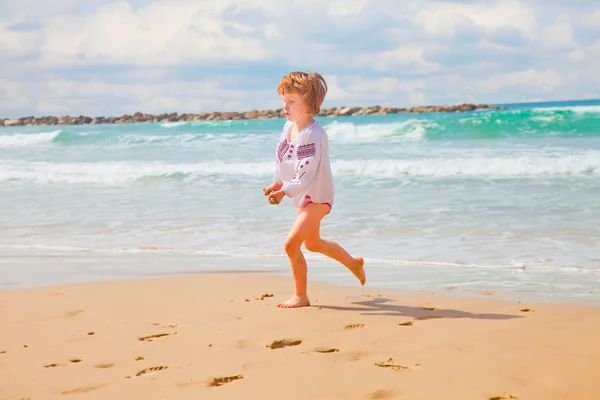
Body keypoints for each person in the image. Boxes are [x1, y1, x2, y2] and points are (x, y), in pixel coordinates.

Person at [262, 71, 366, 308]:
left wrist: (285, 191)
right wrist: (278, 182)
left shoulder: (312, 134)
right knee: (313, 243)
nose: (285, 107)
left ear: (309, 104)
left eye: (291, 102)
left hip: (318, 196)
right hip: (301, 195)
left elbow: (306, 174)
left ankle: (301, 295)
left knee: (291, 244)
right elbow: (284, 159)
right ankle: (353, 264)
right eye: (284, 101)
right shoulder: (289, 127)